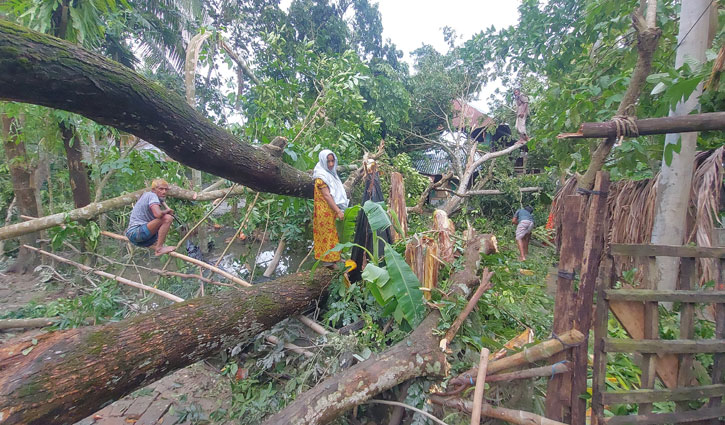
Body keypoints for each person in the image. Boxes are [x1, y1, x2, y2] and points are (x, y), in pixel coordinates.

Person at [312, 149, 349, 264]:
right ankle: (328, 262)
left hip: (330, 209)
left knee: (334, 234)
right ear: (323, 161)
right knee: (328, 235)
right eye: (328, 161)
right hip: (325, 211)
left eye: (332, 161)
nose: (331, 164)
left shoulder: (330, 174)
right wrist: (338, 211)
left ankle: (336, 258)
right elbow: (327, 196)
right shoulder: (321, 176)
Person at [125, 179, 176, 256]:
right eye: (161, 189)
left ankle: (158, 245)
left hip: (141, 240)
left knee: (164, 219)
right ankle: (159, 249)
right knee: (167, 218)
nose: (164, 192)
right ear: (153, 189)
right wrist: (167, 211)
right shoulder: (152, 195)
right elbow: (158, 215)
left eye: (166, 189)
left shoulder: (151, 197)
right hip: (136, 233)